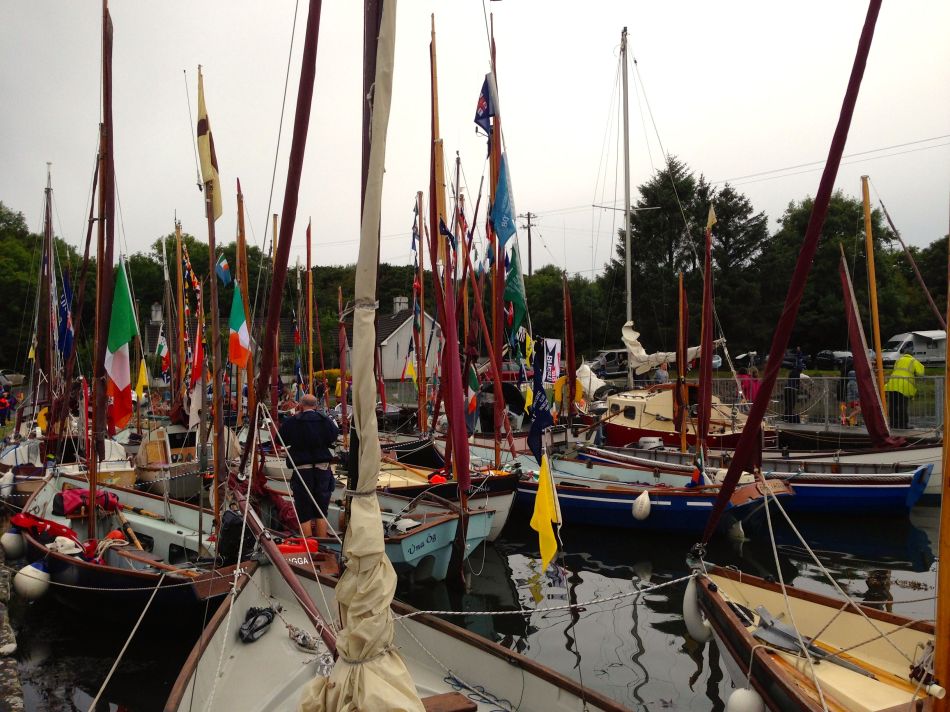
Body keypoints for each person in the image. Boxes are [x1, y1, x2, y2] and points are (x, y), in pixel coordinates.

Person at [277, 393, 340, 537]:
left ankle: (309, 542)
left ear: (300, 405)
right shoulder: (325, 421)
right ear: (316, 406)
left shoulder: (292, 422)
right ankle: (322, 541)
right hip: (322, 467)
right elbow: (334, 436)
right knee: (321, 506)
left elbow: (280, 440)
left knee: (303, 508)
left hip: (302, 469)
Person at [884, 352, 924, 429]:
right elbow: (921, 373)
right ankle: (903, 425)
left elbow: (896, 370)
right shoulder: (913, 360)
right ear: (912, 355)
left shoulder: (898, 360)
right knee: (902, 406)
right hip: (903, 385)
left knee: (893, 406)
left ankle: (893, 424)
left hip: (892, 383)